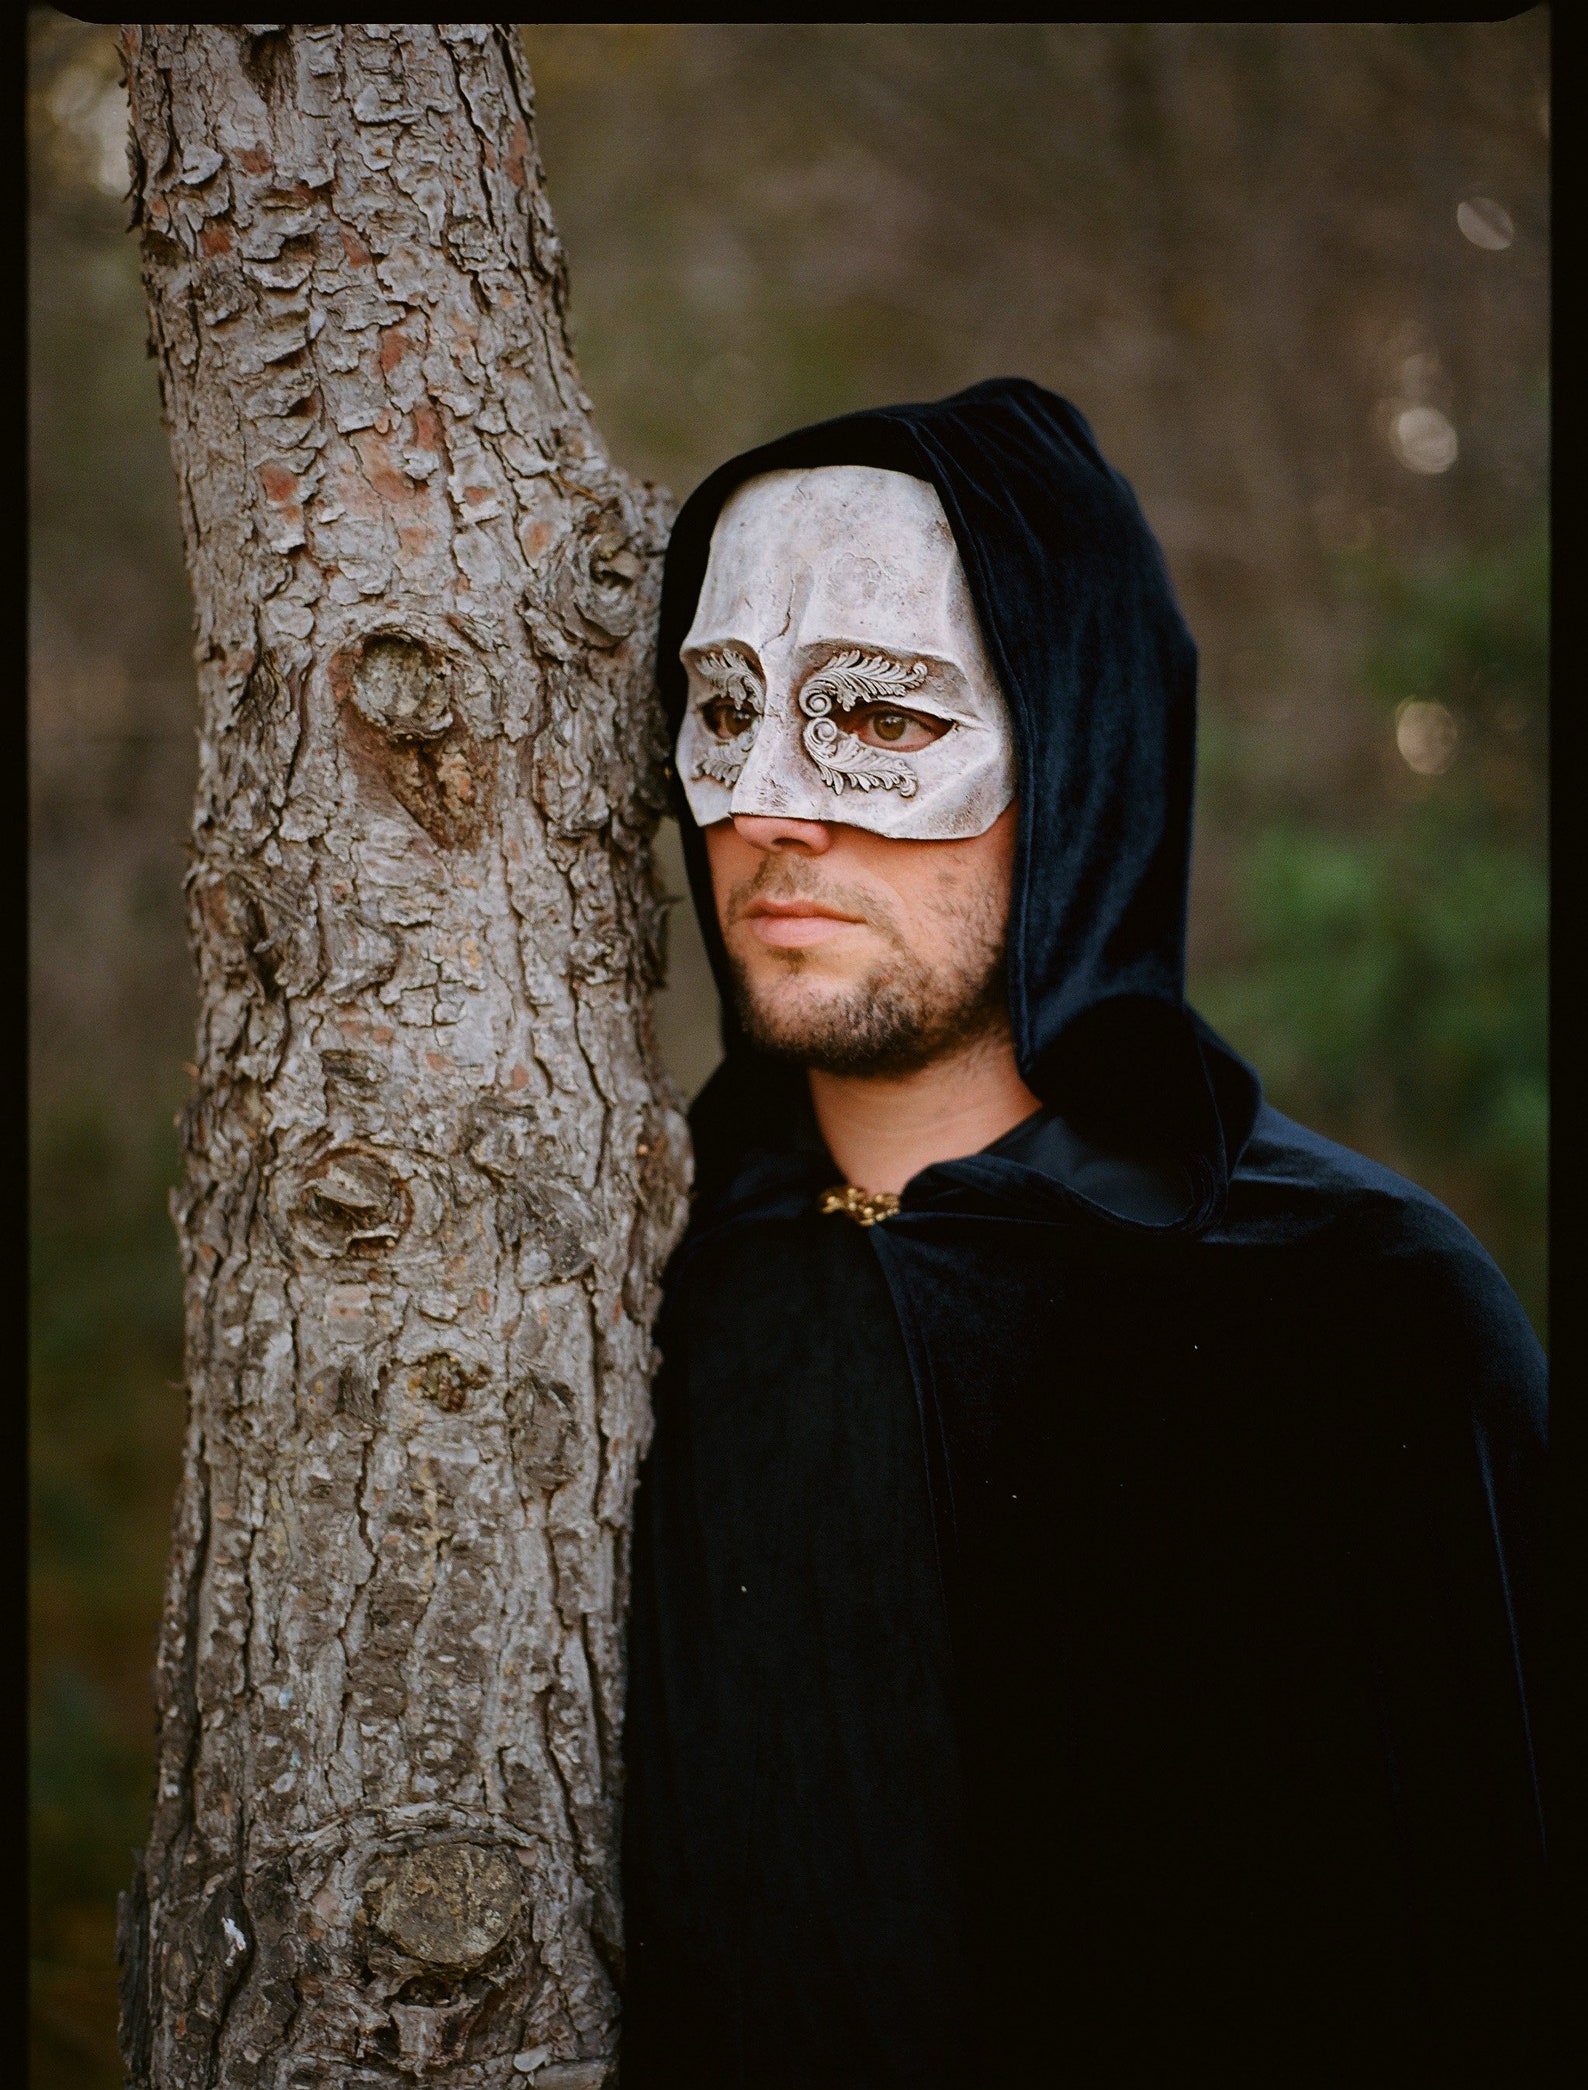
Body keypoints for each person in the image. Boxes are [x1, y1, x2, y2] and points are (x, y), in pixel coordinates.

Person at [619, 380, 1549, 2087]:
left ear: (1083, 742)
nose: (769, 811)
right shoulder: (623, 1301)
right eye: (720, 709)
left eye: (879, 722)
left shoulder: (1356, 1319)